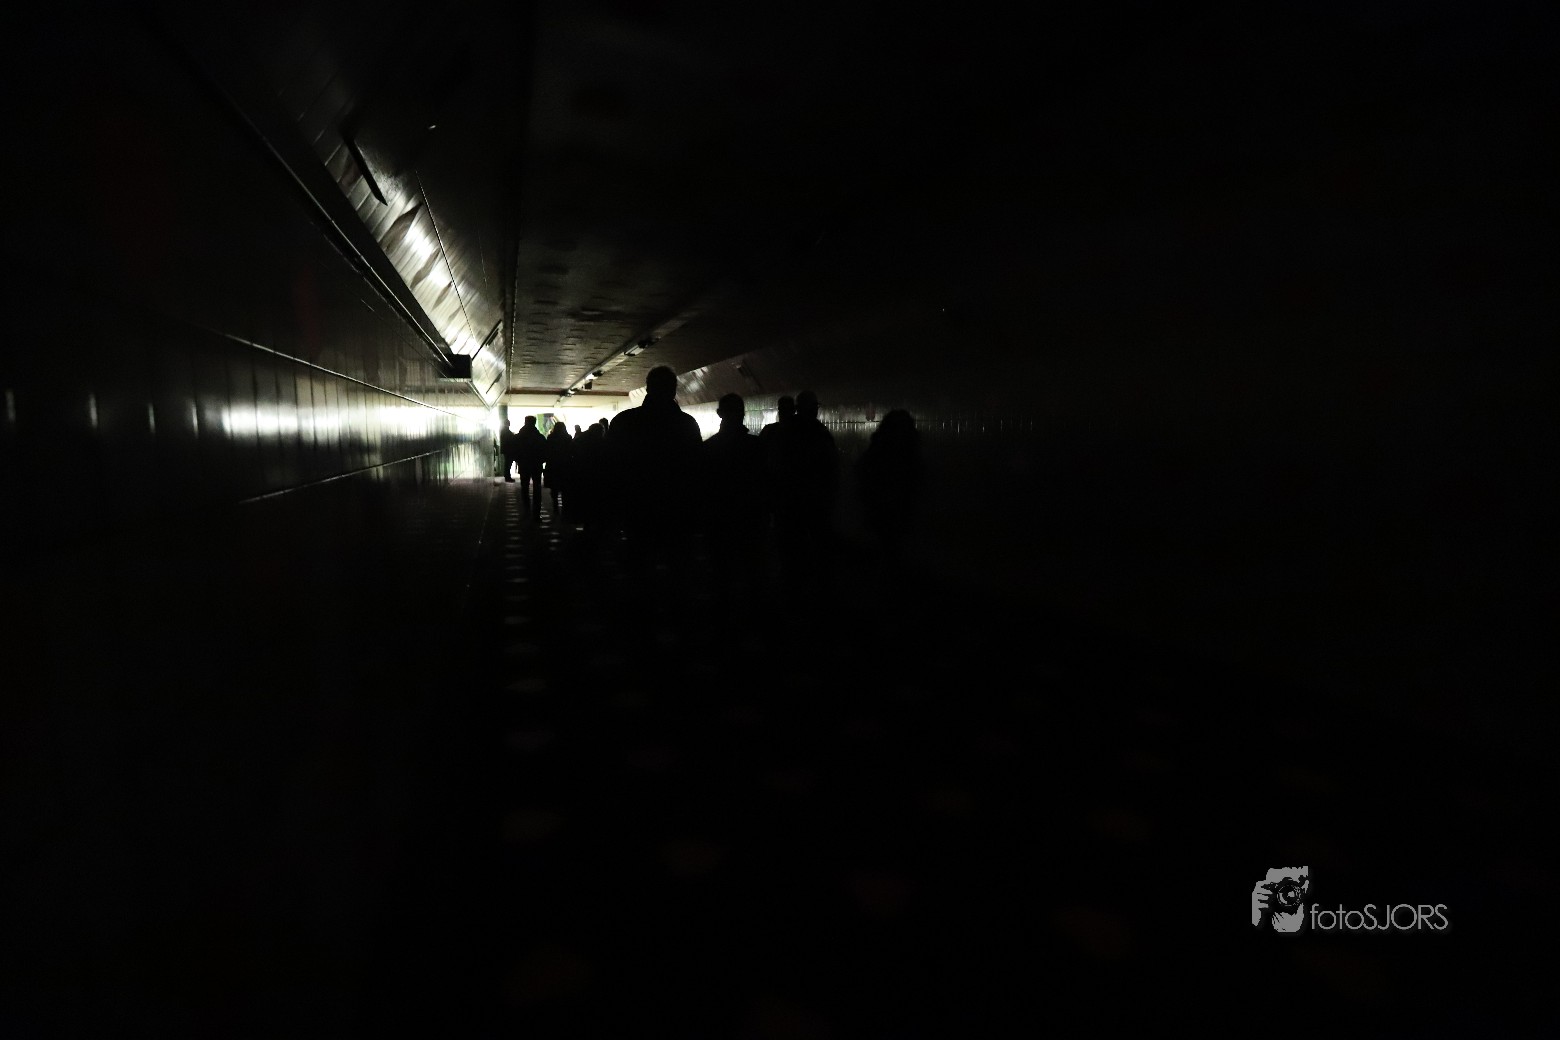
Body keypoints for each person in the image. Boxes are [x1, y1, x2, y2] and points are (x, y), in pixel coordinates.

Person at [607, 366, 702, 573]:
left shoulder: (624, 422)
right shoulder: (687, 424)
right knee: (678, 564)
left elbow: (611, 469)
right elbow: (696, 470)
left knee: (640, 563)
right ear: (674, 390)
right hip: (676, 509)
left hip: (637, 507)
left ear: (648, 388)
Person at [699, 393, 767, 592]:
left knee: (721, 572)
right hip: (750, 519)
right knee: (753, 570)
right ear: (743, 414)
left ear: (719, 413)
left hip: (719, 520)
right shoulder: (757, 447)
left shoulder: (709, 448)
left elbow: (702, 488)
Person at [772, 390, 838, 593]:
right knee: (817, 543)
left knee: (792, 546)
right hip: (814, 500)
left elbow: (776, 466)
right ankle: (817, 585)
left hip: (791, 500)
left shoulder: (784, 432)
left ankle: (793, 585)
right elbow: (831, 466)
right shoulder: (820, 432)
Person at [855, 409, 924, 572]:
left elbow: (862, 478)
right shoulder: (909, 455)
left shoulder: (876, 452)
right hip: (897, 514)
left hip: (881, 514)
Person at [513, 415, 547, 517]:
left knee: (524, 488)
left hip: (524, 465)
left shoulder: (519, 437)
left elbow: (514, 451)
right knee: (537, 488)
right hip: (536, 465)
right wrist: (540, 461)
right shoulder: (540, 437)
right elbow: (545, 452)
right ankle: (536, 513)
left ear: (525, 422)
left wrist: (519, 460)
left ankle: (526, 510)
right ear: (534, 423)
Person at [543, 420, 574, 518]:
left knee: (554, 488)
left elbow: (547, 451)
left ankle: (555, 508)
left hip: (553, 466)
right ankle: (565, 510)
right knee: (565, 489)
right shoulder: (568, 438)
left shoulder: (551, 438)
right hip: (565, 466)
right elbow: (571, 451)